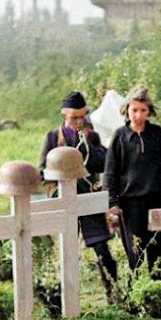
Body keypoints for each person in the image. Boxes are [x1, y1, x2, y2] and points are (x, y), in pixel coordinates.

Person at [40, 91, 117, 300]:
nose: (79, 121)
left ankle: (113, 292)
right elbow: (42, 171)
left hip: (88, 199)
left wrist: (91, 144)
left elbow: (105, 163)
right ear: (64, 114)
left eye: (83, 116)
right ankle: (64, 297)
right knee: (67, 251)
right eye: (75, 117)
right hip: (65, 200)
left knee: (101, 248)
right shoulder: (53, 137)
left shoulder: (91, 135)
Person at [104, 87, 161, 275]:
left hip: (157, 198)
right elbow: (110, 171)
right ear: (127, 110)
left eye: (143, 110)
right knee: (136, 250)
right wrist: (112, 201)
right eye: (134, 110)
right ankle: (139, 287)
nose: (138, 115)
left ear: (149, 111)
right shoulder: (120, 136)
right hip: (130, 202)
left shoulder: (156, 133)